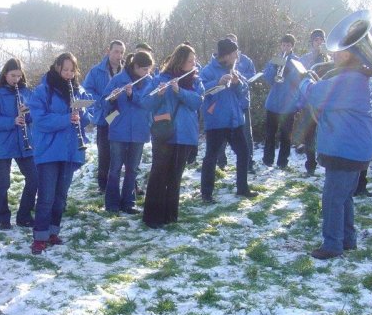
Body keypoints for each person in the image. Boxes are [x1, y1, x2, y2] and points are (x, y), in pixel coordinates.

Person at [299, 48, 372, 259]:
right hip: (359, 148)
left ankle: (332, 245)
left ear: (346, 55)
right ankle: (348, 239)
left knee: (332, 198)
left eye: (337, 52)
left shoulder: (350, 80)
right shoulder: (369, 79)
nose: (333, 55)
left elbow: (314, 95)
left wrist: (304, 79)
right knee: (345, 197)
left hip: (345, 148)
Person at [29, 52, 91, 254]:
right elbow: (40, 120)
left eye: (72, 70)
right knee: (46, 196)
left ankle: (53, 232)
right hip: (49, 150)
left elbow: (88, 118)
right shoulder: (42, 91)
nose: (69, 74)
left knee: (61, 197)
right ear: (56, 67)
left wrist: (84, 114)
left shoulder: (78, 90)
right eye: (65, 70)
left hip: (70, 150)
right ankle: (39, 236)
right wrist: (66, 119)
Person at [143, 43, 204, 228]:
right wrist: (160, 94)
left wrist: (180, 91)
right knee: (158, 174)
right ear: (180, 62)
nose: (194, 64)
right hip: (164, 133)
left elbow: (197, 102)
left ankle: (170, 216)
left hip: (185, 134)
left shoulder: (195, 81)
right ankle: (153, 217)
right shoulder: (160, 79)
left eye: (194, 60)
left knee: (175, 177)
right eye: (190, 61)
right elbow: (146, 103)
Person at [0, 58, 38, 229]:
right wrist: (11, 121)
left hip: (24, 142)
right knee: (3, 183)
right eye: (13, 76)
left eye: (19, 76)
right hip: (3, 143)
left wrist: (27, 114)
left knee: (34, 178)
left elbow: (33, 116)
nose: (16, 79)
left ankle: (24, 215)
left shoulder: (26, 92)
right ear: (5, 74)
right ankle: (2, 218)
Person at [200, 38, 256, 203]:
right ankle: (206, 194)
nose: (237, 56)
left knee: (244, 153)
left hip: (235, 120)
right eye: (234, 53)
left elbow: (243, 91)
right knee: (211, 157)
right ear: (226, 55)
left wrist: (238, 83)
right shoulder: (208, 70)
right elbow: (201, 90)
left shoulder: (234, 69)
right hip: (216, 121)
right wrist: (217, 82)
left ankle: (242, 188)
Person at [101, 51, 154, 214]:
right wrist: (112, 98)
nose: (147, 73)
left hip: (139, 130)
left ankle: (128, 203)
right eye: (144, 69)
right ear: (136, 66)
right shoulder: (118, 79)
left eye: (149, 69)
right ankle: (112, 204)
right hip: (119, 130)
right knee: (115, 167)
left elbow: (149, 103)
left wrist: (133, 95)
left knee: (133, 168)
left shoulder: (149, 82)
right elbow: (104, 104)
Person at [82, 40, 125, 193]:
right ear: (108, 51)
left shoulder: (126, 70)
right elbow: (86, 91)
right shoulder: (96, 71)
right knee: (104, 152)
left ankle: (123, 184)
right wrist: (105, 99)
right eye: (116, 51)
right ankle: (103, 185)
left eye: (121, 52)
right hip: (104, 116)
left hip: (121, 116)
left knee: (122, 152)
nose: (119, 55)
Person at [216, 33, 257, 173]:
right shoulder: (216, 66)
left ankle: (248, 164)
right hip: (225, 108)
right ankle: (221, 162)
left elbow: (252, 77)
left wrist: (239, 79)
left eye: (234, 43)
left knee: (246, 135)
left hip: (242, 104)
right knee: (221, 138)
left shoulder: (246, 60)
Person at [262, 34, 303, 169]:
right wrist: (274, 68)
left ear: (292, 46)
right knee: (269, 134)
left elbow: (299, 82)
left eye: (288, 45)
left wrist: (289, 72)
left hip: (288, 105)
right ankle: (268, 160)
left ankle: (282, 162)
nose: (285, 47)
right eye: (283, 45)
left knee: (286, 136)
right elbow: (267, 79)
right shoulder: (275, 59)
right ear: (280, 45)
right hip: (273, 103)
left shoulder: (296, 61)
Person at [298, 29, 332, 176]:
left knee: (327, 133)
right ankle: (310, 165)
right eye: (316, 40)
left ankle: (327, 163)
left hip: (325, 102)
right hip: (309, 102)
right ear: (311, 42)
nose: (319, 43)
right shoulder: (305, 58)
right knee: (309, 134)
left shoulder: (329, 58)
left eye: (321, 40)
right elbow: (300, 77)